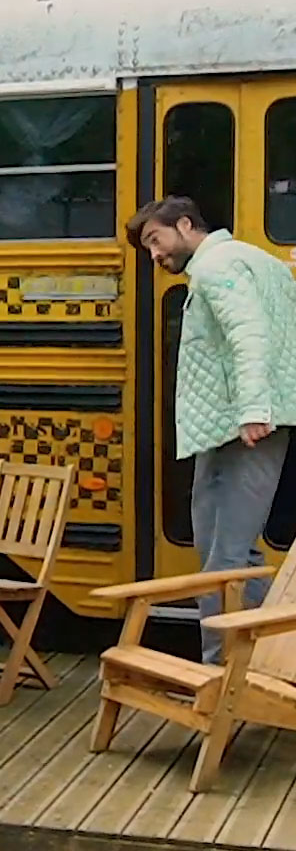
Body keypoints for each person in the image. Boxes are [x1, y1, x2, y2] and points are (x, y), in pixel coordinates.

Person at [128, 196, 296, 664]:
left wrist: (254, 408)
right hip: (227, 426)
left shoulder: (214, 267)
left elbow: (249, 334)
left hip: (244, 426)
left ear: (185, 224)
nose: (154, 255)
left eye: (156, 240)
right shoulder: (253, 259)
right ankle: (260, 660)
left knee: (224, 559)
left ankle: (221, 674)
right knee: (229, 554)